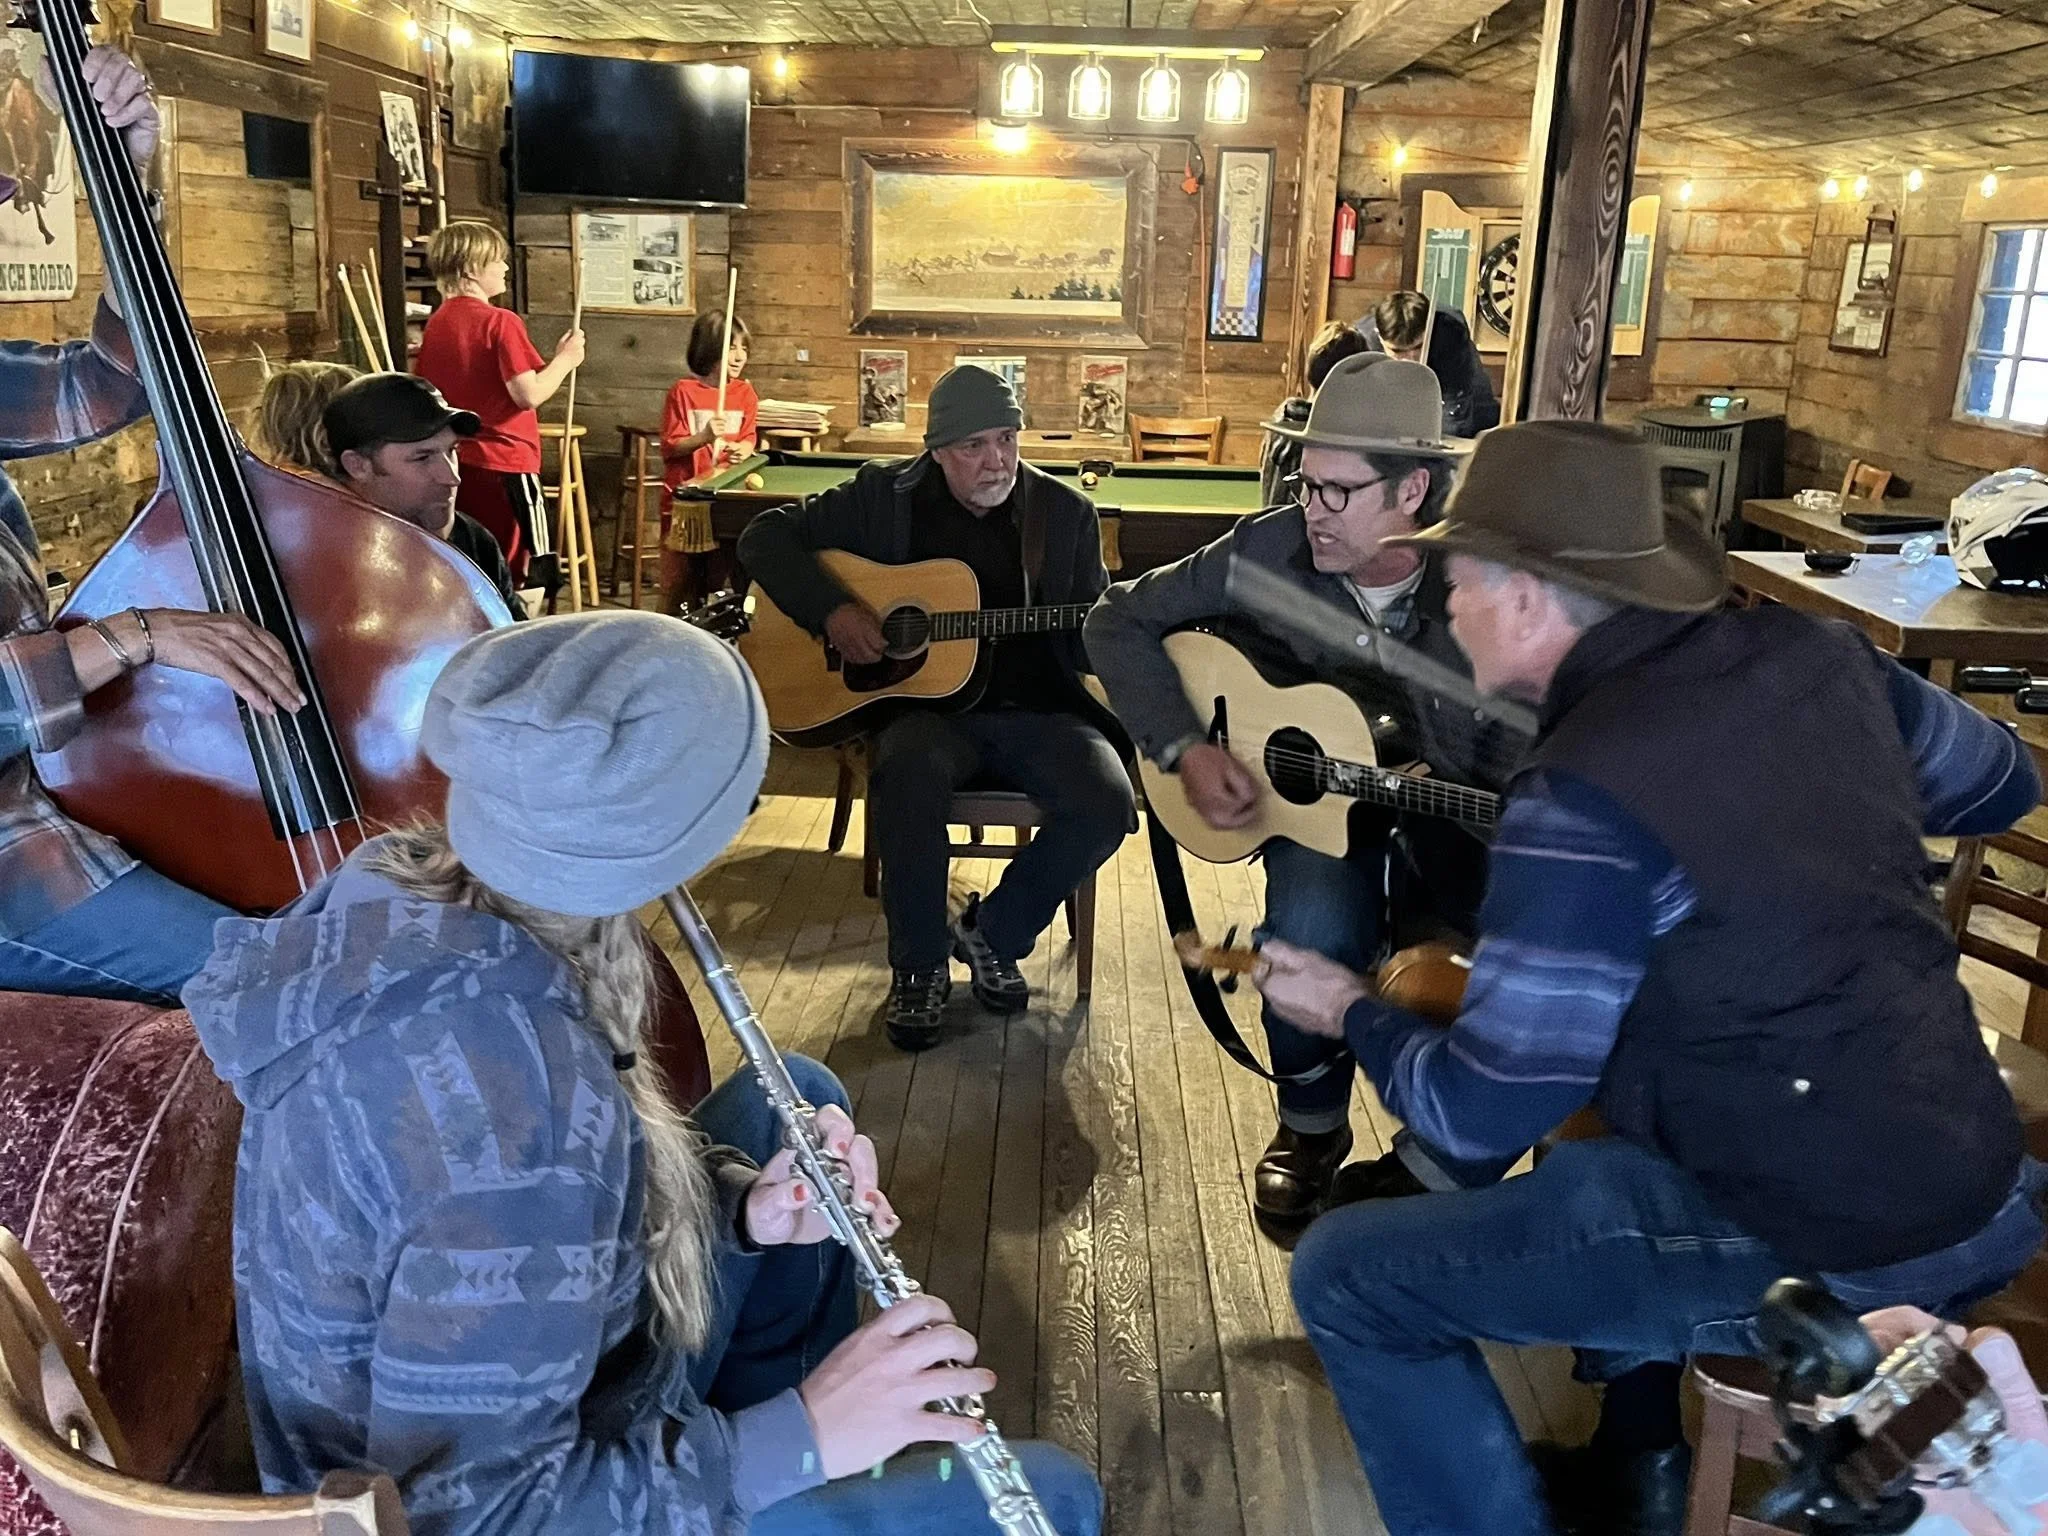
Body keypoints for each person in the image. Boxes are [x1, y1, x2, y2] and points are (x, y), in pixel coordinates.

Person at [1256, 420, 2045, 1536]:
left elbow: (1480, 1110)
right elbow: (2000, 784)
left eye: (1456, 581)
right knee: (1608, 1153)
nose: (1447, 608)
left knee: (1349, 1274)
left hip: (1833, 1238)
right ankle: (1640, 1457)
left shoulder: (1578, 799)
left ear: (1523, 595)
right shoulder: (1824, 661)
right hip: (1975, 1166)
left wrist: (1348, 1008)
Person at [181, 611, 1101, 1536]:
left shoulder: (400, 881)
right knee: (1059, 1494)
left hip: (561, 1388)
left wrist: (742, 1210)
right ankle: (778, 1487)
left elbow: (531, 1222)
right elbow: (481, 1517)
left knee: (799, 1092)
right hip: (512, 1509)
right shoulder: (517, 1122)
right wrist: (811, 1431)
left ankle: (786, 1481)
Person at [1086, 353, 1511, 1234]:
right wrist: (1185, 747)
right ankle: (1311, 1127)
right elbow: (1115, 618)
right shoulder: (1267, 547)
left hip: (1461, 817)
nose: (1308, 510)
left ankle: (1434, 1159)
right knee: (1312, 928)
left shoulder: (1488, 580)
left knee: (1490, 969)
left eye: (1336, 491)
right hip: (1319, 806)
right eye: (1304, 483)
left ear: (1414, 491)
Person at [0, 45, 304, 1006]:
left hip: (44, 798)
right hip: (12, 864)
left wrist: (127, 180)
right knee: (284, 977)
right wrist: (141, 635)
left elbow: (117, 383)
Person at [738, 366, 1132, 1050]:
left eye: (1007, 439)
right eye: (976, 446)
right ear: (937, 450)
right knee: (908, 776)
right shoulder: (883, 499)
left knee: (1109, 802)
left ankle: (993, 935)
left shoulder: (1064, 516)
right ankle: (917, 968)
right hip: (927, 715)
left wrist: (1124, 634)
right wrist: (833, 610)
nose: (998, 460)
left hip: (1039, 710)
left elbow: (1090, 640)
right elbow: (763, 538)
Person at [259, 364, 523, 618]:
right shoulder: (306, 558)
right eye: (422, 457)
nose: (453, 478)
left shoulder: (473, 539)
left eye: (452, 450)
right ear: (354, 464)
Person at [414, 220, 584, 585]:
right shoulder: (500, 321)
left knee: (469, 567)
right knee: (520, 573)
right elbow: (529, 395)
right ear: (472, 268)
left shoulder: (438, 322)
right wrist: (567, 361)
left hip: (459, 461)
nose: (506, 268)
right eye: (498, 261)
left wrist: (553, 360)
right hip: (506, 462)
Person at [661, 310, 758, 613]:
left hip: (724, 497)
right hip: (686, 500)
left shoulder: (745, 393)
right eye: (731, 347)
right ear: (709, 348)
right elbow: (671, 447)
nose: (739, 356)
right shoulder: (684, 392)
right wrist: (703, 436)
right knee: (680, 581)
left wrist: (744, 447)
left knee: (719, 574)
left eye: (744, 348)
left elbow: (749, 437)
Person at [1259, 319, 1371, 507]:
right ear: (1352, 381)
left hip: (1271, 528)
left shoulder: (1283, 415)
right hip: (1305, 534)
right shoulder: (1328, 431)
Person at [1365, 290, 1501, 438]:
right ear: (1379, 336)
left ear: (1429, 330)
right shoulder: (1363, 341)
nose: (1410, 358)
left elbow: (1456, 409)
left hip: (1463, 393)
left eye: (1419, 347)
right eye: (1397, 351)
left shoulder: (1450, 331)